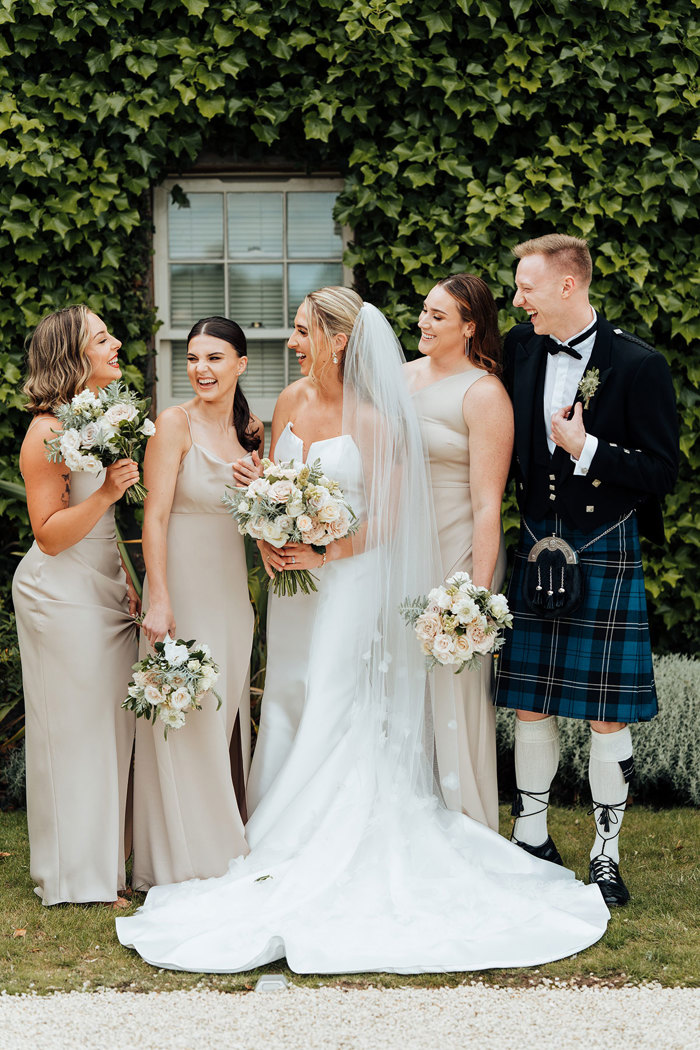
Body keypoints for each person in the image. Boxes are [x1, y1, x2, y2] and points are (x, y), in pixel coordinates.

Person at [117, 287, 609, 974]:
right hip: (290, 586)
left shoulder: (379, 418)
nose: (292, 342)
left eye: (302, 331)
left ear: (339, 339)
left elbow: (391, 520)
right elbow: (272, 486)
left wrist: (323, 551)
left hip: (347, 583)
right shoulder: (286, 402)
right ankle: (267, 835)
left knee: (332, 697)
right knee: (286, 692)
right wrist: (267, 534)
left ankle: (313, 837)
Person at [494, 234, 679, 906]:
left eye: (527, 288)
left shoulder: (639, 364)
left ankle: (606, 854)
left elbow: (663, 471)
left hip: (604, 543)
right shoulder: (520, 349)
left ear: (567, 285)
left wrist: (589, 449)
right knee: (529, 699)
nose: (519, 300)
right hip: (539, 538)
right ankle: (531, 839)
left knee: (607, 714)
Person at [12, 306, 139, 905]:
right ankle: (72, 877)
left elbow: (103, 521)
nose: (116, 344)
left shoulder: (98, 415)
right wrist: (111, 488)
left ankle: (107, 866)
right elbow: (50, 533)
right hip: (58, 593)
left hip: (103, 588)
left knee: (108, 727)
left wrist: (129, 578)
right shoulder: (46, 431)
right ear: (73, 356)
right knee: (74, 732)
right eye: (101, 338)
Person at [131, 316, 262, 890]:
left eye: (214, 357)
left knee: (220, 717)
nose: (201, 369)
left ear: (240, 364)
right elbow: (152, 517)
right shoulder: (172, 424)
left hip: (232, 594)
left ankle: (221, 844)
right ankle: (180, 859)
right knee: (181, 717)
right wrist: (159, 598)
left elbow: (261, 528)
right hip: (180, 589)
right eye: (192, 359)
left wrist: (260, 486)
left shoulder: (251, 436)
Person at [405, 274, 513, 830]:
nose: (423, 322)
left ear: (470, 328)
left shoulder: (484, 393)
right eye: (424, 311)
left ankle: (463, 819)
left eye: (438, 316)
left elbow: (487, 506)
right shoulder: (399, 379)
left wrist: (475, 591)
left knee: (452, 686)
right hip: (397, 552)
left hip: (453, 559)